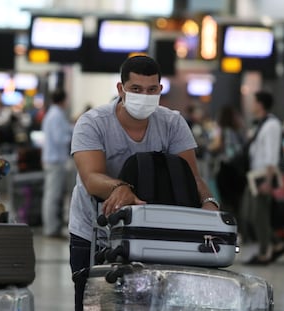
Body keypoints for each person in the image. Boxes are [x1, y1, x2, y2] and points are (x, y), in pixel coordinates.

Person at [68, 55, 219, 311]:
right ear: (121, 89)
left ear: (160, 90)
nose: (144, 95)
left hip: (152, 233)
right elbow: (91, 178)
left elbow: (191, 177)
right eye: (136, 89)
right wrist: (120, 188)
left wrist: (208, 203)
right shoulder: (93, 123)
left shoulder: (172, 123)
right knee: (94, 302)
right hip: (94, 231)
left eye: (151, 90)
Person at [242, 91, 284, 265]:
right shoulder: (262, 124)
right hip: (255, 175)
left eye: (253, 102)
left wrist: (268, 180)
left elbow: (271, 153)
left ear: (260, 104)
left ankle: (264, 252)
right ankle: (276, 244)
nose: (252, 106)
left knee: (259, 215)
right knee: (252, 215)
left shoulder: (272, 125)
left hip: (263, 175)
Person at [41, 89, 73, 237]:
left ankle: (53, 226)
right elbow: (60, 138)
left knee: (54, 195)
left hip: (55, 160)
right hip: (55, 160)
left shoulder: (55, 114)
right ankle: (51, 228)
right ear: (63, 100)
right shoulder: (56, 115)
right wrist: (73, 136)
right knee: (52, 196)